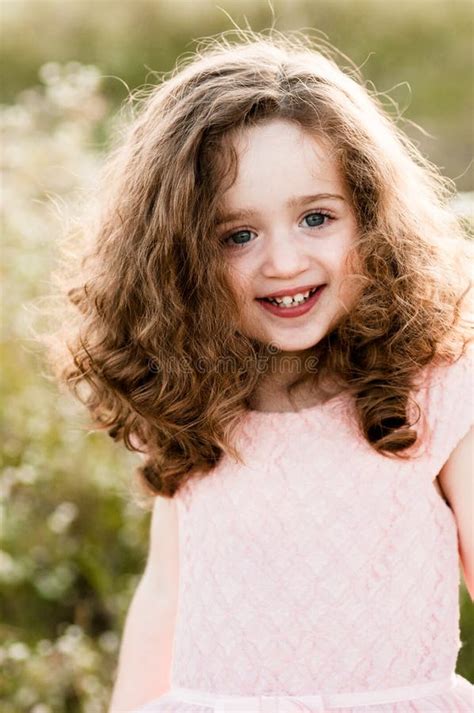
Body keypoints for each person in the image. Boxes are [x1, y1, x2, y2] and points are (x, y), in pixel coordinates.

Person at [45, 31, 474, 713]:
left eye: (315, 217)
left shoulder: (436, 387)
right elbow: (166, 595)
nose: (282, 261)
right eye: (238, 235)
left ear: (372, 219)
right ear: (179, 257)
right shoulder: (194, 398)